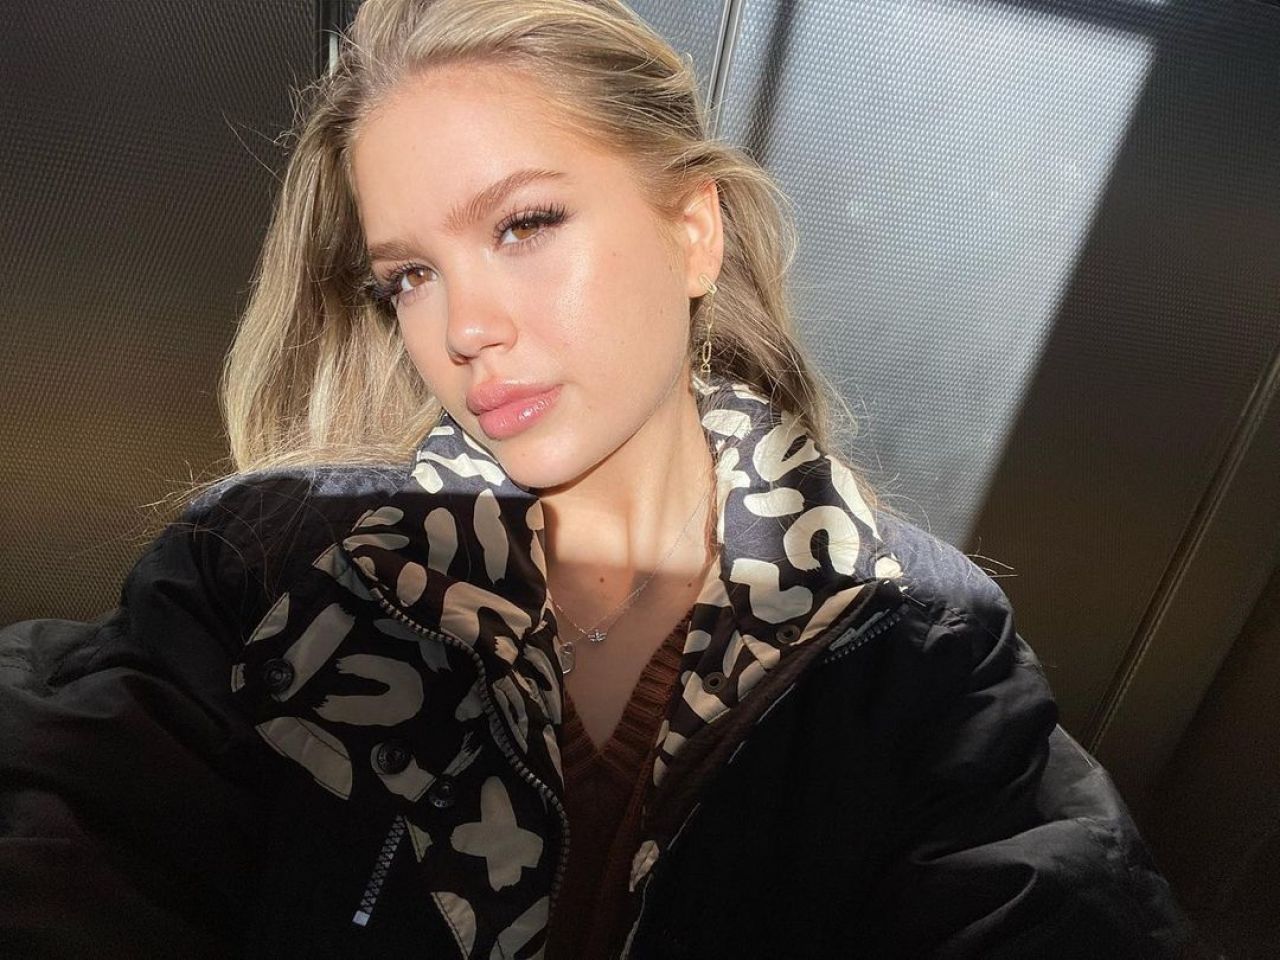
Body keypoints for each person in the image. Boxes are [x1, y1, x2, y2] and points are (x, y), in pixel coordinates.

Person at [0, 0, 1195, 957]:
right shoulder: (272, 571)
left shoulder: (913, 643)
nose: (463, 327)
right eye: (407, 276)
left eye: (524, 223)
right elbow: (78, 830)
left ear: (693, 231)